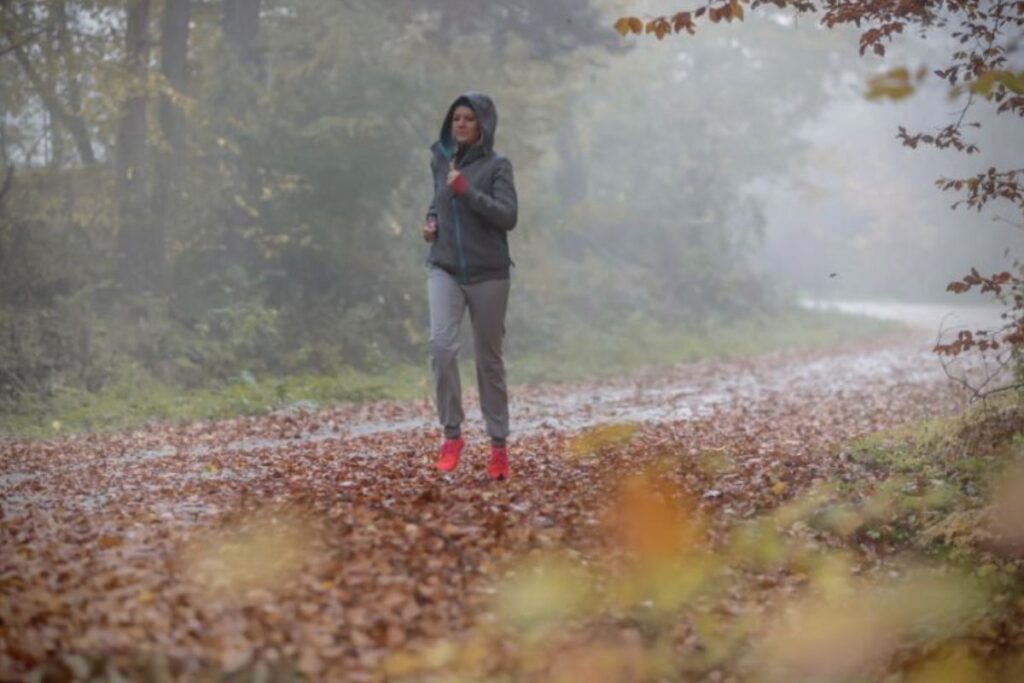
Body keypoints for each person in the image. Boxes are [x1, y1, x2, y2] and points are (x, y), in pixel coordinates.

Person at [421, 92, 518, 480]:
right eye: (456, 118)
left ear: (484, 125)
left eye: (469, 119)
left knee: (488, 361)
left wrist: (467, 192)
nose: (460, 124)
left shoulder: (498, 166)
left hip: (489, 272)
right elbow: (437, 201)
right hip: (444, 266)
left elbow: (507, 217)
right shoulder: (440, 159)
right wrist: (431, 222)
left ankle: (498, 446)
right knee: (441, 346)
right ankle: (452, 433)